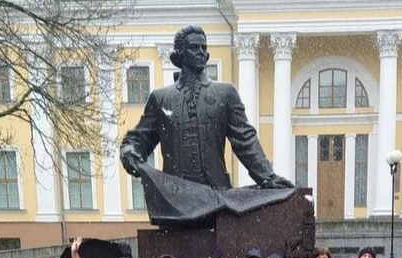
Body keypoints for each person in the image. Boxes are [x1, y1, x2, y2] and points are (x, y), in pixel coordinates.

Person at [120, 25, 292, 223]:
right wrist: (130, 152)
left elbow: (245, 138)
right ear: (180, 54)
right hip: (176, 199)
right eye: (194, 48)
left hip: (216, 196)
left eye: (204, 48)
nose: (201, 52)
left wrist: (267, 177)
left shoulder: (225, 94)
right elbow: (139, 138)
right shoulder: (161, 99)